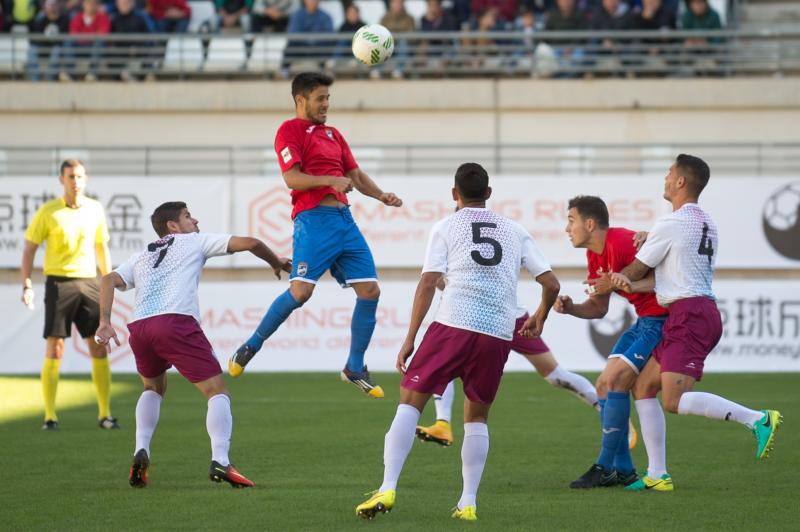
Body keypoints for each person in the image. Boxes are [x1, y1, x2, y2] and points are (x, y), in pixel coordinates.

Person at [355, 163, 560, 521]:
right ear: (489, 193)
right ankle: (468, 502)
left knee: (409, 401)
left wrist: (410, 338)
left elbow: (428, 282)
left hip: (454, 323)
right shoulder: (515, 230)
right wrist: (540, 316)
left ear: (455, 194)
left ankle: (388, 486)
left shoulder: (447, 225)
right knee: (477, 416)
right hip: (497, 331)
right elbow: (552, 284)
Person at [611, 154, 782, 491]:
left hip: (690, 316)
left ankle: (758, 419)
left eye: (669, 173)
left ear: (680, 182)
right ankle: (657, 475)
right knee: (643, 387)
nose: (665, 177)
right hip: (690, 312)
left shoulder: (671, 223)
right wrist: (641, 258)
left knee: (674, 402)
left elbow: (636, 272)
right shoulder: (705, 222)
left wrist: (616, 277)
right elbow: (667, 278)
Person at [229, 72, 402, 398]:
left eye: (328, 99)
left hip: (344, 221)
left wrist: (381, 195)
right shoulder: (289, 130)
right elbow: (292, 179)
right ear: (300, 99)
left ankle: (354, 366)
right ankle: (251, 344)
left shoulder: (333, 134)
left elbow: (355, 175)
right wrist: (329, 182)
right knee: (300, 293)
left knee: (370, 291)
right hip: (313, 221)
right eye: (320, 98)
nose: (326, 104)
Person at [95, 201, 291, 488]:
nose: (195, 220)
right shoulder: (194, 241)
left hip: (140, 328)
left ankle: (141, 449)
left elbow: (108, 279)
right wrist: (275, 262)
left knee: (153, 388)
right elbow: (251, 242)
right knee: (216, 392)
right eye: (188, 216)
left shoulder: (142, 256)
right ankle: (221, 460)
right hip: (175, 323)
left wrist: (105, 320)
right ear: (173, 226)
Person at [555, 195, 668, 489]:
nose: (567, 228)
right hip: (645, 321)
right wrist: (572, 308)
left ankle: (604, 467)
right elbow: (598, 307)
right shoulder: (594, 254)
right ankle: (624, 470)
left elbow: (666, 278)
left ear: (590, 224)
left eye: (571, 220)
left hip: (664, 321)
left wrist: (624, 280)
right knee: (604, 385)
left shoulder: (622, 242)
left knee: (614, 380)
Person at [416, 298, 618, 448]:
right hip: (473, 321)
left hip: (509, 317)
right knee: (444, 367)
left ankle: (611, 413)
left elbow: (545, 277)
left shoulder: (504, 240)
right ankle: (442, 423)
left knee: (555, 375)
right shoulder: (450, 245)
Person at [20, 159, 116, 431]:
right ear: (61, 180)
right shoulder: (48, 211)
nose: (76, 181)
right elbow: (29, 248)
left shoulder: (95, 209)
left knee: (98, 345)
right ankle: (50, 416)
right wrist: (26, 283)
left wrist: (107, 279)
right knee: (55, 347)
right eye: (71, 176)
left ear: (86, 179)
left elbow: (101, 247)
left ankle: (105, 414)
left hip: (89, 283)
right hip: (59, 284)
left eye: (80, 176)